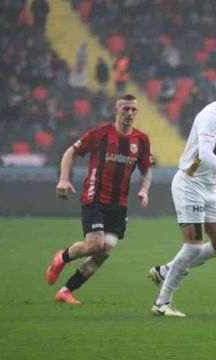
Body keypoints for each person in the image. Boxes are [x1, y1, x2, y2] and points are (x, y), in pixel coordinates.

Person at [147, 71, 216, 317]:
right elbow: (206, 154)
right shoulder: (210, 116)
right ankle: (162, 303)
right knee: (193, 247)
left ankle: (167, 270)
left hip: (208, 186)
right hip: (190, 184)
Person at [44, 94, 153, 304]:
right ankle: (62, 257)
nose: (130, 113)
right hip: (94, 197)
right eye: (125, 109)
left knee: (104, 253)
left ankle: (66, 291)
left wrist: (145, 190)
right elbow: (71, 152)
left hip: (119, 204)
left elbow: (146, 170)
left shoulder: (141, 140)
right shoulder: (100, 134)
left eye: (133, 110)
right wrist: (64, 179)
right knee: (94, 245)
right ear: (116, 110)